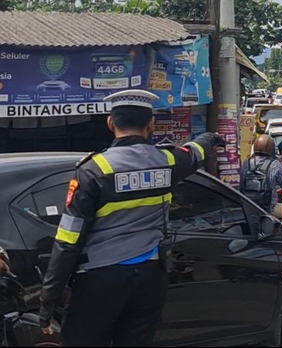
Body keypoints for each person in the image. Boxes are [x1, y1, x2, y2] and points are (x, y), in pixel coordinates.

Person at [38, 89, 225, 346]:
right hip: (150, 280)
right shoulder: (168, 161)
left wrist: (48, 300)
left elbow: (68, 240)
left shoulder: (94, 170)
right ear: (151, 124)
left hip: (100, 280)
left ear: (110, 123)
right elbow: (195, 151)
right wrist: (211, 137)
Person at [241, 134, 282, 216]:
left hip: (248, 208)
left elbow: (241, 185)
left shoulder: (247, 163)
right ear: (272, 149)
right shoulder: (275, 164)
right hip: (270, 210)